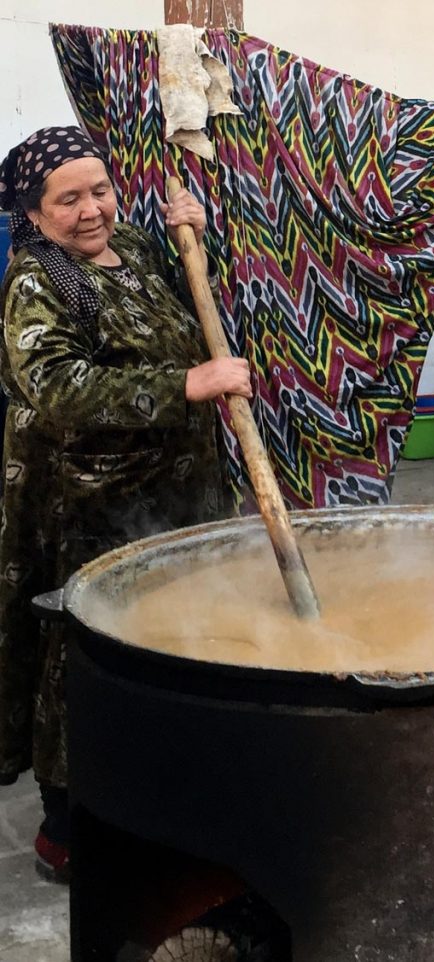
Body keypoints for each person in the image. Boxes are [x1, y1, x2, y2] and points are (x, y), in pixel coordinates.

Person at [0, 126, 252, 883]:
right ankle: (67, 826)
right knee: (86, 658)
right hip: (90, 509)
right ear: (34, 213)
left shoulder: (136, 249)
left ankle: (161, 793)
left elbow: (194, 313)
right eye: (68, 199)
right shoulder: (40, 281)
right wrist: (185, 386)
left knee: (175, 642)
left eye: (100, 189)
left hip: (178, 497)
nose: (91, 210)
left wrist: (201, 244)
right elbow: (60, 392)